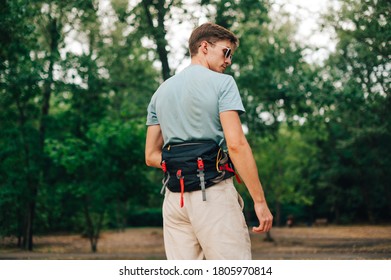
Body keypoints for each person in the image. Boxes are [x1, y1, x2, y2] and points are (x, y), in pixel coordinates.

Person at [145, 22, 273, 260]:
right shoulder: (223, 84)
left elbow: (151, 156)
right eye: (226, 52)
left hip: (174, 200)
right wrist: (260, 201)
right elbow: (236, 145)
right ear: (204, 47)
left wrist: (184, 163)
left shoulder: (160, 93)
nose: (229, 61)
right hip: (213, 196)